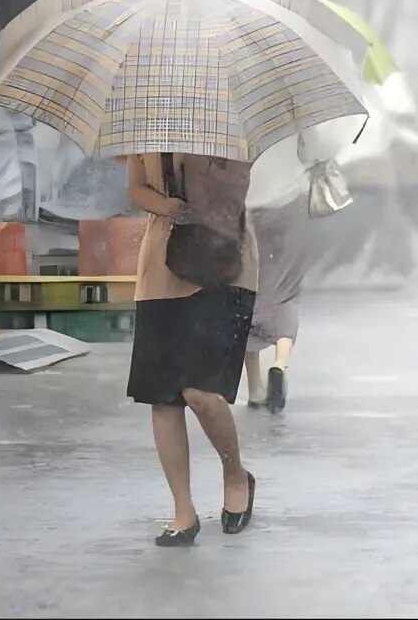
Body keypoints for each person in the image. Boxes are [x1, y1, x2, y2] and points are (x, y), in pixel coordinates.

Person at [125, 152, 259, 545]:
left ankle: (234, 472)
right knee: (164, 396)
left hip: (225, 259)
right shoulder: (144, 125)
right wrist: (168, 206)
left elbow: (236, 186)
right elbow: (136, 188)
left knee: (202, 392)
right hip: (163, 267)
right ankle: (183, 510)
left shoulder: (226, 121)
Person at [244, 194, 309, 414]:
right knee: (285, 302)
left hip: (252, 231)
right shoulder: (291, 173)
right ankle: (279, 365)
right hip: (288, 231)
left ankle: (254, 389)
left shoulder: (251, 173)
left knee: (250, 305)